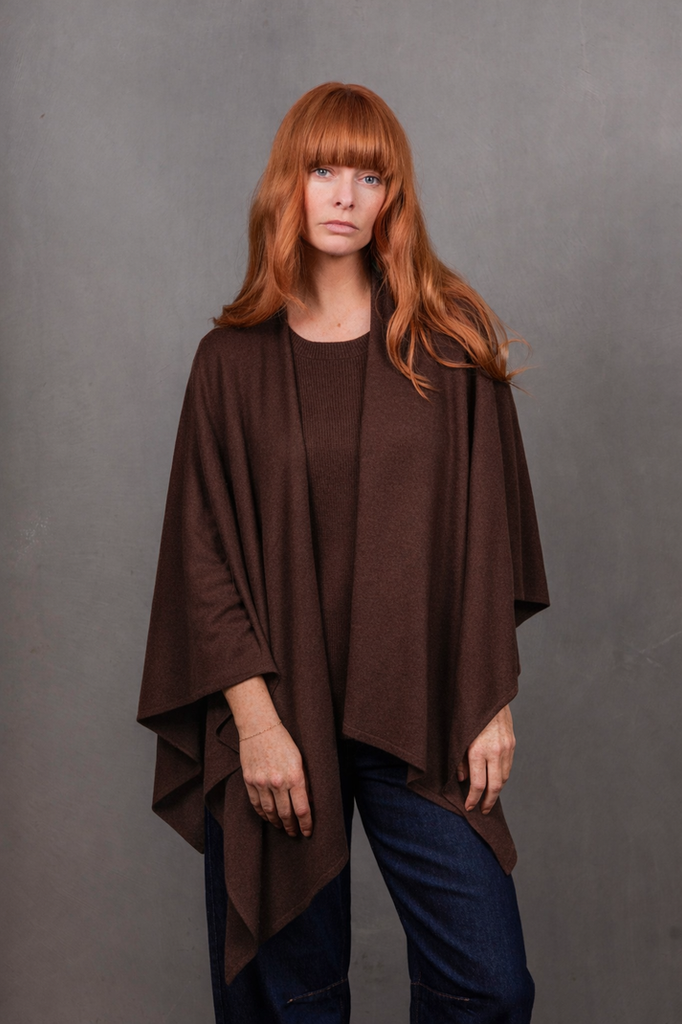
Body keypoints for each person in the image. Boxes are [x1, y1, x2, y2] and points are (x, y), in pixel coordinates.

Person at [137, 82, 550, 1024]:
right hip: (280, 716)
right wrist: (256, 727)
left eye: (369, 177)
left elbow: (490, 533)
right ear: (289, 182)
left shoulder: (447, 345)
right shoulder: (229, 363)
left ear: (392, 197)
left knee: (490, 986)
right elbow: (201, 557)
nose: (343, 195)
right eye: (323, 170)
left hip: (423, 706)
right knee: (293, 1003)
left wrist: (491, 699)